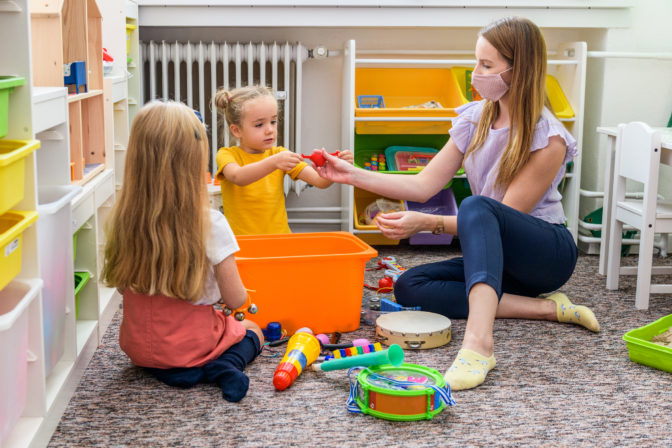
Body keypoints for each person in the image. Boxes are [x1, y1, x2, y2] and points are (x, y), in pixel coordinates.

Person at [316, 16, 599, 391]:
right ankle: (548, 308)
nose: (475, 75)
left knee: (477, 206)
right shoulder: (476, 118)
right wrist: (348, 174)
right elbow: (423, 184)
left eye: (486, 66)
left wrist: (427, 223)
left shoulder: (548, 138)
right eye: (476, 62)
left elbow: (501, 218)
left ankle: (478, 346)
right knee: (411, 285)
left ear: (520, 70)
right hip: (497, 253)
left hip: (544, 253)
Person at [102, 100, 264, 402]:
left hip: (138, 349)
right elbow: (236, 299)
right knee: (254, 330)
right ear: (193, 162)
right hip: (191, 345)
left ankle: (177, 371)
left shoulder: (121, 218)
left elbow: (124, 286)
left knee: (175, 336)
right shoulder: (210, 224)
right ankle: (223, 365)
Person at [214, 85, 353, 235]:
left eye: (273, 122)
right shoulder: (227, 154)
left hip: (280, 238)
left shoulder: (280, 154)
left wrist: (332, 170)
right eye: (259, 124)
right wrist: (274, 162)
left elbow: (320, 182)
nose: (270, 130)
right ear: (236, 130)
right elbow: (238, 176)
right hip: (243, 243)